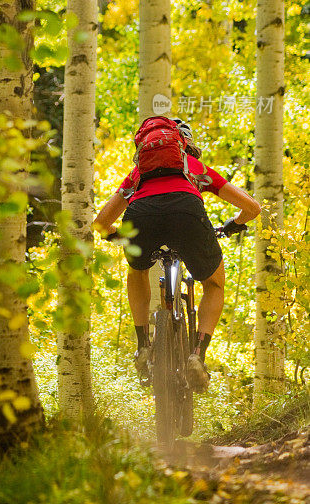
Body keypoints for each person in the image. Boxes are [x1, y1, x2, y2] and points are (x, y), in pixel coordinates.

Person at [93, 118, 261, 392]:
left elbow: (100, 223)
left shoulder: (138, 175)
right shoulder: (194, 167)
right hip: (187, 215)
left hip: (141, 217)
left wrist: (116, 234)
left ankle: (143, 345)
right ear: (185, 145)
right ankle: (197, 354)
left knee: (136, 272)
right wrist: (234, 225)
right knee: (214, 284)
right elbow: (252, 207)